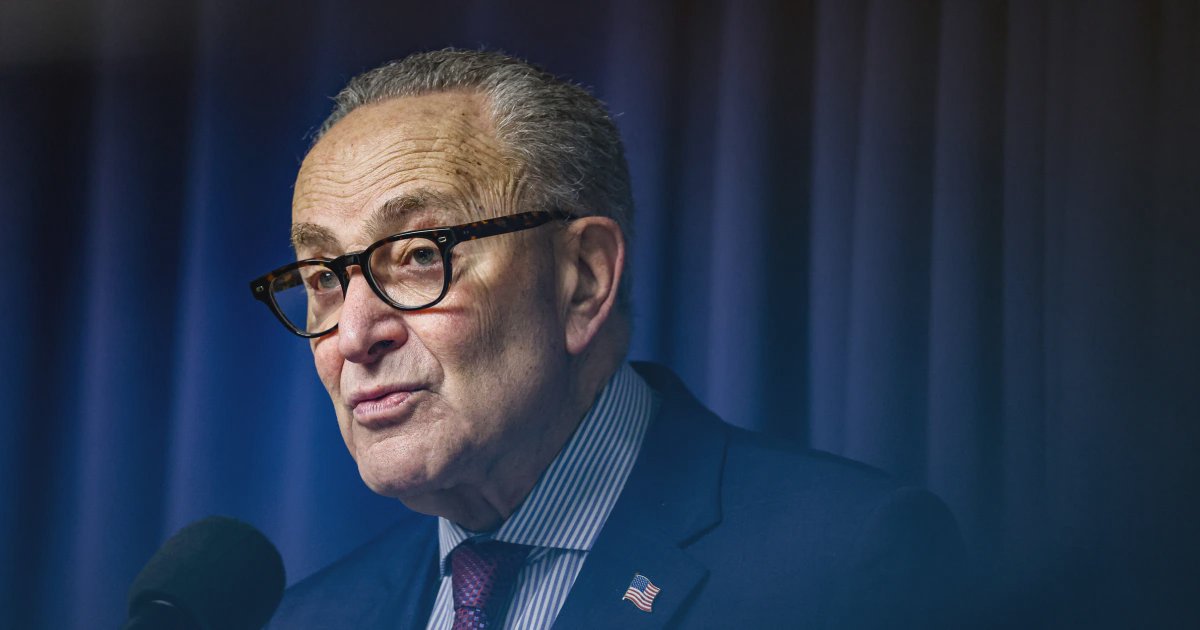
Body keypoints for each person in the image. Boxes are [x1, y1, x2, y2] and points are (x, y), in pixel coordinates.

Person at [251, 49, 965, 629]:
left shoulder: (848, 561)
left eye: (417, 256)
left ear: (583, 280)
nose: (354, 336)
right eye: (322, 278)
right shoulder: (309, 618)